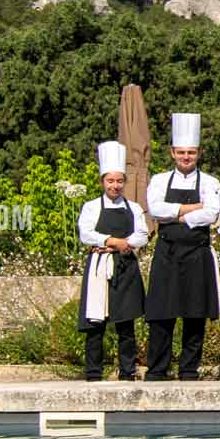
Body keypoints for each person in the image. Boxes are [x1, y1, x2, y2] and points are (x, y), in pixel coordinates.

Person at [144, 112, 220, 380]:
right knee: (161, 313)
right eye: (181, 152)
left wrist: (176, 214)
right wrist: (192, 209)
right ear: (172, 152)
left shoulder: (210, 182)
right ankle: (157, 370)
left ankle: (189, 369)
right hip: (166, 252)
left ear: (198, 152)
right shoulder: (159, 180)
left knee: (195, 313)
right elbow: (155, 209)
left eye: (191, 152)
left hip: (197, 252)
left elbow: (211, 214)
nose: (186, 157)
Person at [77, 139, 148, 380]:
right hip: (99, 268)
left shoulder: (135, 208)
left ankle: (128, 372)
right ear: (102, 182)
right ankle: (93, 373)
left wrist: (124, 244)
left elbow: (142, 235)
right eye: (110, 181)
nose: (115, 186)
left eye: (119, 181)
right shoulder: (90, 207)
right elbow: (86, 233)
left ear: (124, 182)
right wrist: (113, 241)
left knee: (126, 325)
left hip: (125, 267)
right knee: (95, 325)